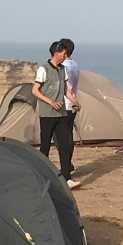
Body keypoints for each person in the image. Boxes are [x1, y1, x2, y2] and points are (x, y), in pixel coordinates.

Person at [31, 41, 79, 189]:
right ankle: (41, 176)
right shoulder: (43, 69)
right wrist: (50, 102)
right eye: (63, 53)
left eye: (66, 53)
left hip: (62, 113)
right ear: (56, 52)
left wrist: (74, 100)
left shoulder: (63, 69)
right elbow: (35, 90)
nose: (65, 56)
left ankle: (67, 177)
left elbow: (65, 90)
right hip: (47, 114)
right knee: (45, 146)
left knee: (65, 145)